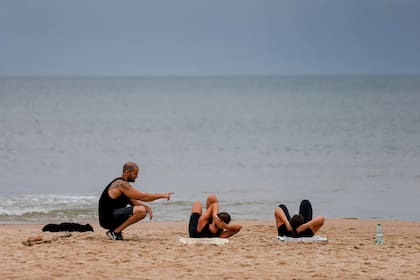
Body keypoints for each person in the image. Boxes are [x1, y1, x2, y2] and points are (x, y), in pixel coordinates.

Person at [98, 162, 174, 240]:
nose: (137, 176)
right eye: (135, 174)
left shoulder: (123, 185)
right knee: (141, 211)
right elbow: (143, 197)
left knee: (142, 209)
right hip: (107, 219)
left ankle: (116, 231)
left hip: (109, 218)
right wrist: (162, 195)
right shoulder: (121, 184)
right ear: (127, 173)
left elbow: (132, 201)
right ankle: (115, 232)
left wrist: (146, 207)